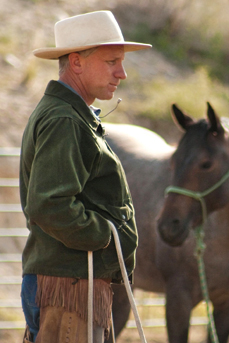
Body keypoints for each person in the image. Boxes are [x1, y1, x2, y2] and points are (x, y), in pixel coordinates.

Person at [19, 10, 151, 343]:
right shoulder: (65, 120)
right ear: (76, 63)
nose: (121, 73)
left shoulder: (71, 115)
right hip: (70, 288)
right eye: (111, 62)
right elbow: (49, 205)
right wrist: (105, 236)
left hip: (75, 282)